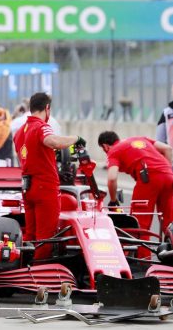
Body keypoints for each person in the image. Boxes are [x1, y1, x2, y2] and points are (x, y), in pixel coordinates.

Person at [13, 93, 85, 260]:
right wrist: (75, 138)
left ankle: (25, 268)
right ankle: (39, 275)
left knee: (30, 234)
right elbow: (52, 141)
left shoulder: (19, 131)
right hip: (44, 187)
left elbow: (23, 157)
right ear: (47, 108)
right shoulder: (41, 126)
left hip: (27, 186)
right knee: (46, 236)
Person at [98, 131, 173, 258]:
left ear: (105, 146)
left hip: (148, 179)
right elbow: (167, 148)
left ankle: (143, 260)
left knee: (140, 223)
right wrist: (167, 168)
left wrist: (113, 199)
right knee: (170, 222)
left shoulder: (114, 151)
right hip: (169, 175)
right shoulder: (140, 138)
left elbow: (111, 178)